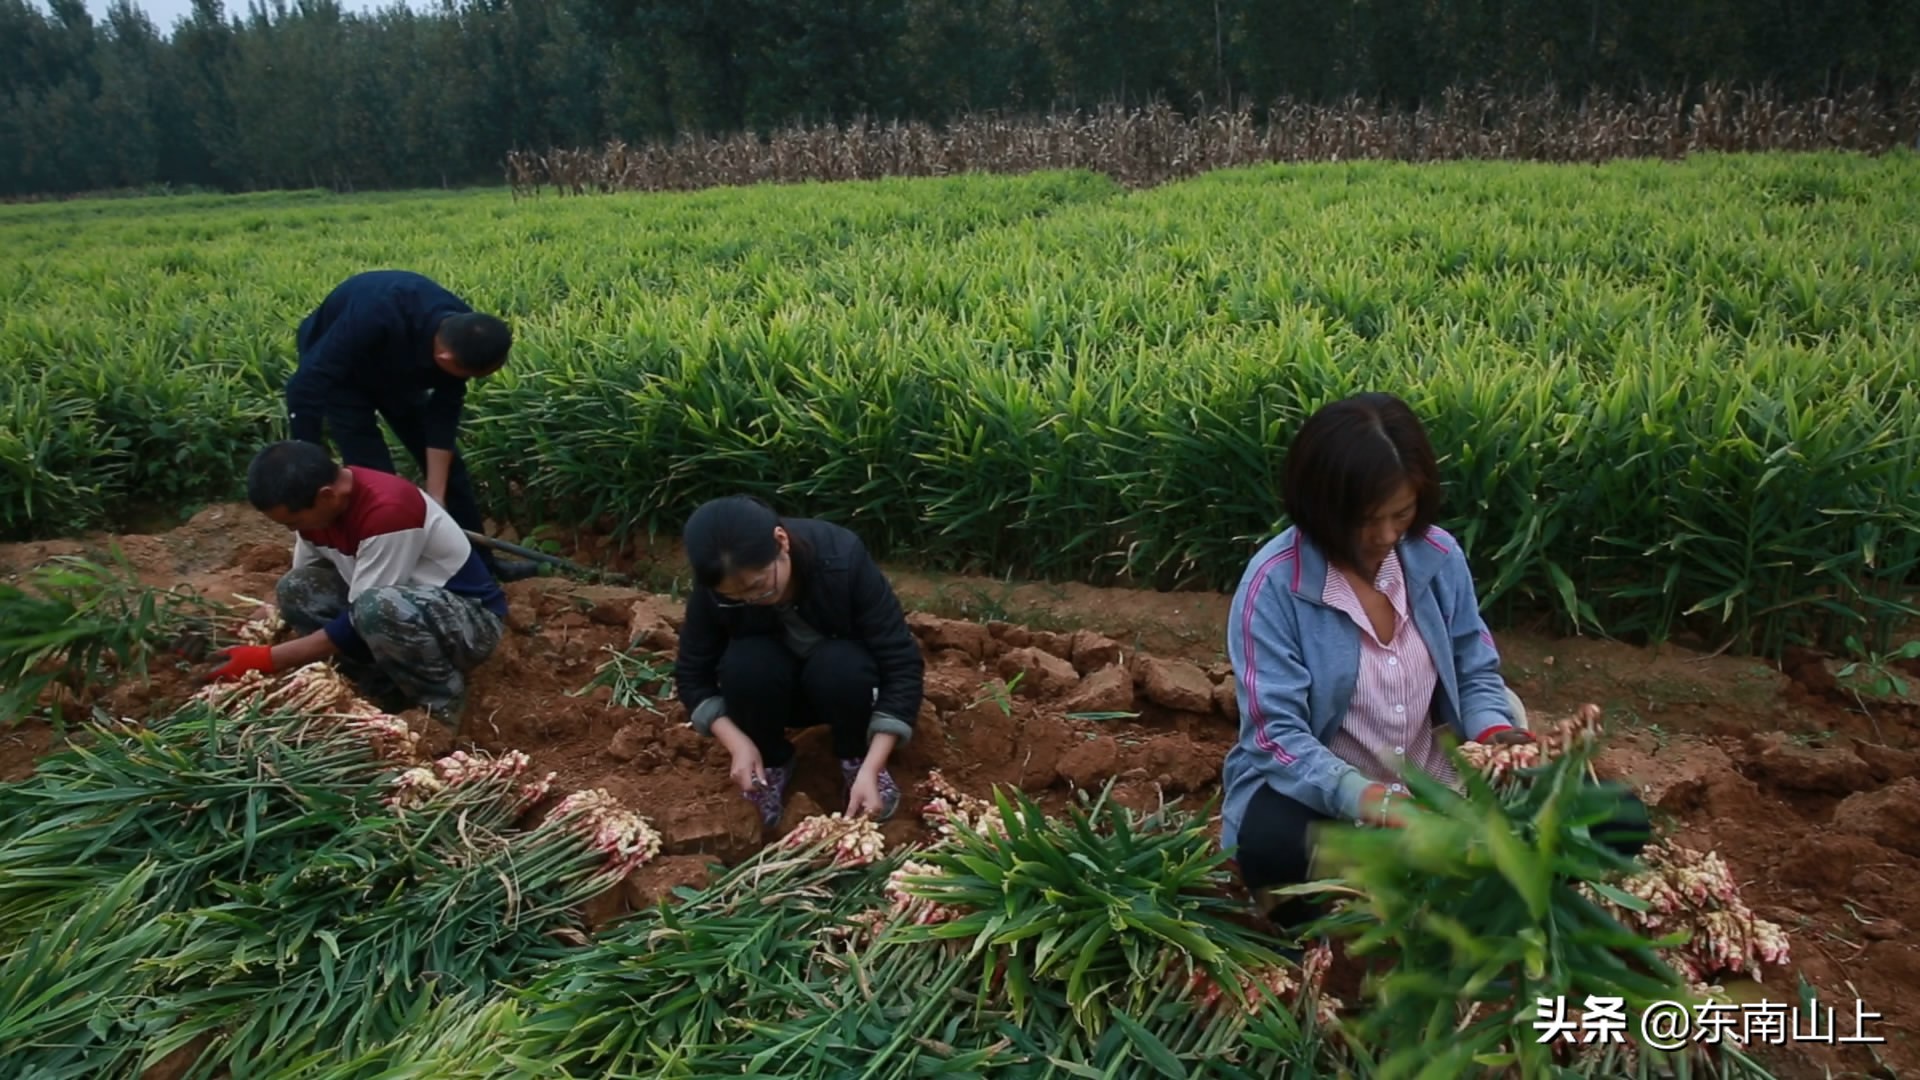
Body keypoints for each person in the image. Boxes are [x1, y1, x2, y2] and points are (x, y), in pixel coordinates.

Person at [1219, 392, 1648, 936]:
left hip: (1446, 782)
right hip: (1334, 797)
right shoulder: (1274, 586)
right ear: (1320, 507)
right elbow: (1276, 736)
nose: (1385, 536)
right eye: (1364, 521)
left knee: (1616, 816)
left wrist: (1499, 742)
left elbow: (1473, 671)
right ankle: (1320, 939)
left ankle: (1497, 909)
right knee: (1273, 845)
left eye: (1401, 514)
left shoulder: (1437, 558)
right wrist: (1373, 801)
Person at [199, 440, 510, 730]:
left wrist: (267, 659)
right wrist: (252, 629)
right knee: (295, 588)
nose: (293, 530)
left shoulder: (388, 512)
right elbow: (303, 576)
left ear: (326, 495)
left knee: (376, 609)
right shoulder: (321, 512)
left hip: (470, 623)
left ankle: (440, 704)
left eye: (294, 521)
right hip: (401, 611)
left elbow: (357, 620)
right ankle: (382, 687)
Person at [672, 495, 926, 829]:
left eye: (758, 586)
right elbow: (692, 674)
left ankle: (855, 758)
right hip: (775, 695)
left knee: (841, 664)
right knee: (745, 664)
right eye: (736, 597)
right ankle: (772, 760)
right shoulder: (716, 589)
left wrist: (873, 765)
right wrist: (739, 743)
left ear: (781, 541)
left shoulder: (842, 558)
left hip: (846, 693)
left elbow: (902, 664)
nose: (752, 600)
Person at [283, 269, 537, 583]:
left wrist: (437, 496)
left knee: (450, 471)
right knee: (376, 480)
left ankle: (481, 566)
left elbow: (442, 418)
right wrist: (307, 461)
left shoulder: (466, 332)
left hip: (397, 372)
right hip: (342, 376)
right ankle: (386, 570)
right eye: (464, 375)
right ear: (444, 356)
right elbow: (303, 388)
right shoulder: (374, 315)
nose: (465, 382)